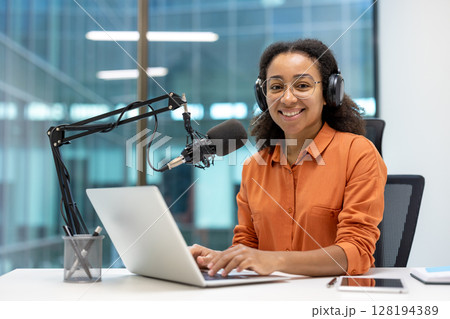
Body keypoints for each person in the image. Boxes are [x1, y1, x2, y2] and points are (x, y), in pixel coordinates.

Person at [190, 38, 387, 277]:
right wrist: (217, 259)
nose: (287, 98)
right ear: (263, 98)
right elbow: (248, 248)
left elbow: (357, 252)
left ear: (328, 93)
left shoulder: (359, 154)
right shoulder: (254, 167)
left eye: (302, 86)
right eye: (276, 87)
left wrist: (276, 260)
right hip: (271, 300)